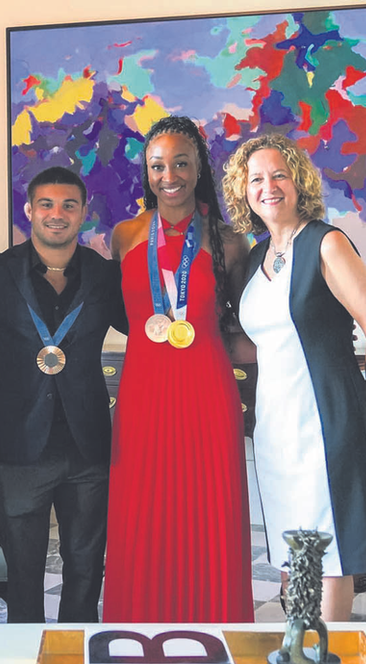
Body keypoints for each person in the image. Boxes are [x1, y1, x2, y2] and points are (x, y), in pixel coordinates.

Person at [221, 133, 366, 621]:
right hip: (276, 422)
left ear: (298, 182)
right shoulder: (257, 257)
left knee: (328, 548)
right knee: (289, 539)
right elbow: (261, 344)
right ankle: (297, 644)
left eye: (279, 174)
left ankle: (327, 650)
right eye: (256, 178)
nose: (268, 186)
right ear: (244, 191)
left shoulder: (327, 242)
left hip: (327, 417)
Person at [102, 116, 254, 622]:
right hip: (143, 391)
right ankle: (138, 636)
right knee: (144, 514)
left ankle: (216, 632)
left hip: (208, 391)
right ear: (147, 172)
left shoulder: (231, 241)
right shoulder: (122, 236)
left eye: (181, 163)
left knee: (209, 514)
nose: (170, 175)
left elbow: (246, 324)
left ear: (198, 168)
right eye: (158, 165)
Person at [0, 166, 127, 623]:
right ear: (29, 211)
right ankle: (26, 645)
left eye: (68, 206)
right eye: (47, 205)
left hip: (88, 443)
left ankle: (76, 644)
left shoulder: (104, 275)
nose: (57, 214)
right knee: (21, 566)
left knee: (85, 563)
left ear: (83, 214)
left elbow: (146, 328)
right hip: (20, 444)